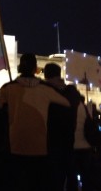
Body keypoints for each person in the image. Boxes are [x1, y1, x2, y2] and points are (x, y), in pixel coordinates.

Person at [0, 54, 70, 191]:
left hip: (15, 144)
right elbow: (66, 104)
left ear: (20, 67)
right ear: (35, 69)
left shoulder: (8, 88)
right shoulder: (46, 89)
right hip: (40, 147)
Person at [44, 62, 81, 190]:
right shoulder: (71, 92)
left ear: (46, 75)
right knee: (70, 175)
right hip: (69, 139)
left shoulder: (45, 91)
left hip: (50, 140)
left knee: (54, 179)